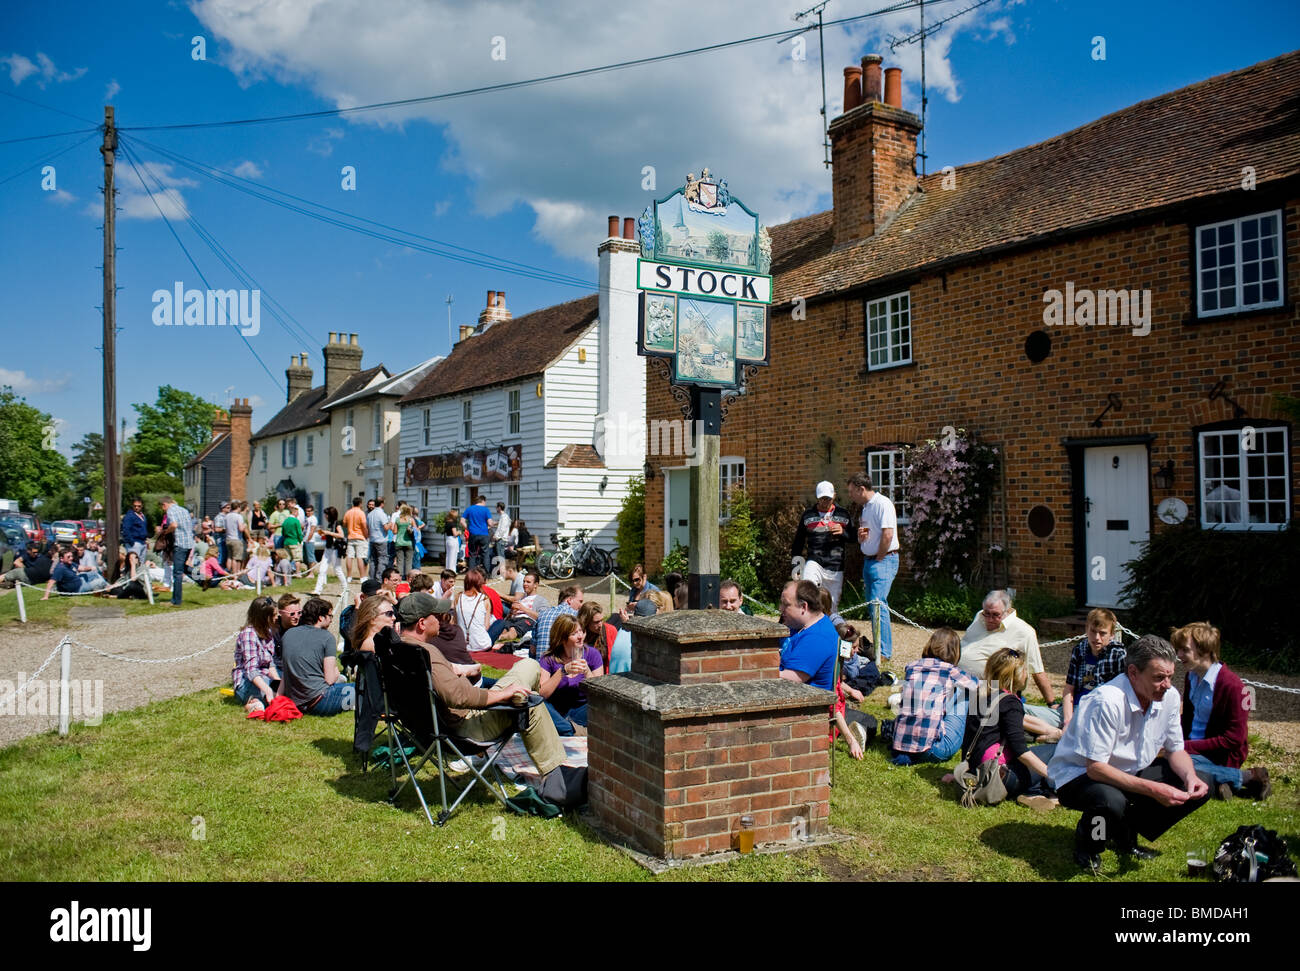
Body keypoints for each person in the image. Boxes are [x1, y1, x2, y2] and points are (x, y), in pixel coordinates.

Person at [1047, 635, 1212, 872]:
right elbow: (1096, 768)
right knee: (1110, 801)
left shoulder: (1170, 697)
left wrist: (1190, 777)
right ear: (1133, 673)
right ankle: (1090, 844)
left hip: (1128, 770)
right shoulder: (1106, 701)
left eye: (1170, 676)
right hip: (1079, 774)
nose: (1167, 684)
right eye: (1158, 678)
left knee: (1201, 784)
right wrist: (1154, 789)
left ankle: (1126, 833)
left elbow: (1176, 750)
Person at [391, 592, 567, 781]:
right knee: (530, 703)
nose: (442, 619)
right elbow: (459, 697)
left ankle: (523, 704)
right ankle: (557, 778)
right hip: (465, 729)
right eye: (436, 615)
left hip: (427, 728)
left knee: (529, 665)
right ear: (422, 623)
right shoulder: (425, 653)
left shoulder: (398, 650)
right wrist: (503, 695)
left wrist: (460, 672)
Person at [1171, 621, 1271, 801]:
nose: (1179, 655)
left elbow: (1234, 739)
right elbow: (1188, 719)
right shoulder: (1191, 676)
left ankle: (1248, 777)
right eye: (1178, 650)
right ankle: (1221, 782)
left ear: (1205, 650)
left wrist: (1185, 747)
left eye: (1184, 650)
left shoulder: (1233, 686)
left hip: (1220, 755)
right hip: (1193, 748)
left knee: (1173, 763)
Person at [959, 648, 1057, 808]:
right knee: (1055, 748)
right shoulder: (1010, 702)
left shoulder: (980, 695)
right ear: (1016, 675)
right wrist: (1054, 775)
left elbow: (969, 738)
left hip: (977, 772)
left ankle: (1034, 790)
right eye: (1025, 670)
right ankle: (1042, 790)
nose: (1026, 675)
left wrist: (965, 768)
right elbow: (1021, 752)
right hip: (1000, 777)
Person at [959, 590, 1060, 739]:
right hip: (962, 683)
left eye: (995, 615)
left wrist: (1051, 703)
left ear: (1007, 611)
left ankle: (1049, 732)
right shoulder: (980, 618)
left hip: (992, 689)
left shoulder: (1024, 632)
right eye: (986, 613)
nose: (989, 619)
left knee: (991, 713)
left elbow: (1037, 670)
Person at [887, 628, 980, 765]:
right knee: (964, 691)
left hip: (900, 745)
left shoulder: (912, 667)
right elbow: (975, 685)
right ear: (955, 651)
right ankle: (975, 732)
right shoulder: (950, 670)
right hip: (931, 749)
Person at [846, 471, 900, 663]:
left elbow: (887, 534)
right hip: (871, 560)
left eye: (852, 491)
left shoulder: (882, 503)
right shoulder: (866, 507)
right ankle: (879, 648)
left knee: (879, 606)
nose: (850, 495)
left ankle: (884, 652)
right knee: (873, 606)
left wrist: (879, 557)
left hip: (882, 560)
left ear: (862, 489)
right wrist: (862, 539)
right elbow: (875, 534)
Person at [278, 597, 353, 715]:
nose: (331, 620)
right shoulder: (327, 638)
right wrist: (337, 672)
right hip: (320, 700)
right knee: (360, 688)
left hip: (295, 701)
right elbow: (329, 679)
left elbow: (286, 673)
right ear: (321, 617)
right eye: (330, 616)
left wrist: (278, 698)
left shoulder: (288, 634)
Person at [792, 480, 853, 611]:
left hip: (835, 564)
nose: (825, 502)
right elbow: (798, 541)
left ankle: (828, 628)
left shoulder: (843, 514)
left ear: (834, 496)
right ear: (817, 497)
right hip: (814, 560)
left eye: (828, 499)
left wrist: (843, 533)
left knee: (832, 604)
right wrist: (796, 566)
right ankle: (807, 624)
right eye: (822, 499)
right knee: (808, 592)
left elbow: (854, 538)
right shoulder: (808, 515)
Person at [539, 614, 604, 735]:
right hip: (557, 711)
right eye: (574, 634)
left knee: (601, 708)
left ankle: (565, 729)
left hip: (582, 710)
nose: (580, 636)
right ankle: (570, 730)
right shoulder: (549, 659)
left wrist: (587, 672)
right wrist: (562, 672)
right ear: (562, 639)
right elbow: (542, 694)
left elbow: (599, 695)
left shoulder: (592, 654)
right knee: (538, 704)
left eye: (581, 631)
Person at [1062, 608, 1127, 728]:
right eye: (1093, 631)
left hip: (1099, 713)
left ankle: (1058, 733)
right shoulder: (1079, 650)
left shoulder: (1118, 655)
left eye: (1102, 633)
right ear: (1086, 629)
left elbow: (1122, 695)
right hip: (1073, 708)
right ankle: (1062, 732)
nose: (1097, 638)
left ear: (1112, 634)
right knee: (1022, 713)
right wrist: (1067, 721)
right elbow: (1069, 689)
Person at [777, 579, 837, 691]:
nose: (781, 609)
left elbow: (793, 679)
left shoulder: (818, 637)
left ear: (804, 607)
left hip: (804, 703)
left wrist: (757, 673)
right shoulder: (798, 625)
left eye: (786, 604)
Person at [232, 596, 281, 713]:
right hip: (248, 681)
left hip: (265, 677)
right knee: (270, 696)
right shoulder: (249, 635)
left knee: (286, 686)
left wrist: (278, 683)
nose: (276, 618)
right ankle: (254, 702)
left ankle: (259, 702)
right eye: (273, 615)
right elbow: (251, 671)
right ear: (264, 617)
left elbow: (271, 664)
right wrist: (269, 691)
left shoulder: (268, 632)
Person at [489, 569, 546, 645]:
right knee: (503, 628)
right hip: (513, 619)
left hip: (526, 620)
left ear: (535, 585)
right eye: (524, 581)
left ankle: (499, 642)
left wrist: (524, 609)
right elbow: (509, 617)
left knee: (513, 630)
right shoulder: (522, 599)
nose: (525, 584)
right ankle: (497, 643)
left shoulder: (541, 600)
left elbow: (543, 617)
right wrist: (511, 612)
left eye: (528, 582)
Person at [157, 496, 194, 607]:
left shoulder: (170, 511)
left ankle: (176, 601)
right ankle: (202, 579)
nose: (163, 510)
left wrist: (166, 532)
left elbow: (174, 525)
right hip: (189, 543)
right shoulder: (184, 510)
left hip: (180, 543)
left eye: (162, 507)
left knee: (177, 573)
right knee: (184, 568)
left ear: (164, 504)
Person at [533, 584, 584, 659]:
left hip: (540, 663)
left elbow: (532, 649)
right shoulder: (575, 616)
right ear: (569, 600)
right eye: (580, 601)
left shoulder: (542, 614)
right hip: (562, 664)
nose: (581, 606)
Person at [42, 547, 109, 598]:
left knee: (94, 574)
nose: (71, 558)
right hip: (77, 589)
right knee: (100, 582)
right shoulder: (60, 568)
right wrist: (46, 596)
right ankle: (108, 588)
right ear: (61, 559)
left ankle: (108, 586)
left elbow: (82, 568)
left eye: (71, 556)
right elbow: (51, 582)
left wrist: (91, 568)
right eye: (68, 557)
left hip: (79, 580)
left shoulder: (69, 563)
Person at [453, 567, 493, 652]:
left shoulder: (457, 597)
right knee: (499, 623)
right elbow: (486, 626)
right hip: (482, 644)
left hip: (462, 643)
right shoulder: (484, 598)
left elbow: (455, 623)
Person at [312, 506, 350, 596]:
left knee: (337, 569)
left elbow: (341, 535)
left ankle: (345, 588)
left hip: (335, 549)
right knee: (322, 569)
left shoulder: (337, 524)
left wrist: (328, 533)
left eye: (326, 514)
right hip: (328, 548)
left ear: (330, 515)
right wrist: (323, 533)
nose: (325, 516)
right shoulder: (330, 524)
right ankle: (318, 590)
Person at [577, 600, 617, 671]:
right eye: (596, 622)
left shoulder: (610, 630)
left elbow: (614, 658)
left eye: (602, 620)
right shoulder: (577, 633)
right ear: (586, 622)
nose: (600, 625)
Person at [462, 496, 492, 574]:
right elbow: (490, 523)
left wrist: (468, 528)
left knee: (472, 554)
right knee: (485, 554)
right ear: (483, 501)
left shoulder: (469, 509)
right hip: (484, 534)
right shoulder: (486, 510)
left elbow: (462, 521)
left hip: (473, 533)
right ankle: (486, 574)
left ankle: (471, 573)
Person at [367, 496, 392, 582]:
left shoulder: (370, 514)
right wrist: (391, 523)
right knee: (382, 559)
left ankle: (371, 578)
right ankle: (379, 579)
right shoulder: (381, 514)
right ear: (382, 504)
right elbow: (386, 527)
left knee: (373, 560)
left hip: (372, 539)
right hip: (381, 539)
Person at [343, 496, 368, 580]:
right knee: (360, 557)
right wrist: (366, 535)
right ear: (360, 503)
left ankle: (349, 576)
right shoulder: (361, 513)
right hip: (360, 536)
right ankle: (362, 576)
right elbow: (364, 526)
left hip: (351, 536)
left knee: (349, 557)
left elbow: (344, 524)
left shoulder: (348, 512)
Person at [392, 503, 418, 577]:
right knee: (408, 561)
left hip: (399, 542)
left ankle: (399, 576)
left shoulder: (398, 520)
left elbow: (394, 532)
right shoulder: (411, 520)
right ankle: (408, 577)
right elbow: (416, 530)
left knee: (400, 561)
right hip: (409, 542)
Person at [225, 500, 250, 575]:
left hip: (228, 538)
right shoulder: (238, 516)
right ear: (238, 507)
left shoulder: (227, 516)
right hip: (236, 539)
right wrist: (245, 525)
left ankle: (228, 573)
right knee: (237, 558)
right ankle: (236, 574)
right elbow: (241, 529)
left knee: (229, 557)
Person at [121, 497, 149, 565]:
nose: (137, 508)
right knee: (133, 564)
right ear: (132, 506)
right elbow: (126, 530)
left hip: (142, 542)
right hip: (135, 542)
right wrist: (131, 542)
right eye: (135, 506)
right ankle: (132, 575)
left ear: (142, 506)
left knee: (141, 564)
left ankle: (139, 575)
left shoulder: (142, 515)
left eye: (139, 506)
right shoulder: (129, 516)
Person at [489, 501, 512, 577]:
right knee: (500, 557)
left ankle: (503, 574)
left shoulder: (504, 517)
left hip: (501, 539)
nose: (496, 509)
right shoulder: (504, 517)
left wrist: (496, 537)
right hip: (501, 539)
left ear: (499, 507)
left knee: (501, 557)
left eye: (496, 507)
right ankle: (500, 573)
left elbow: (502, 529)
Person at [443, 506, 462, 572]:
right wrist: (459, 532)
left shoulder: (447, 522)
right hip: (453, 540)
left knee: (448, 555)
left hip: (448, 539)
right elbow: (455, 534)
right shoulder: (453, 523)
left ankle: (447, 569)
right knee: (453, 556)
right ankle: (452, 570)